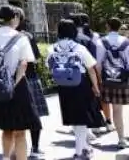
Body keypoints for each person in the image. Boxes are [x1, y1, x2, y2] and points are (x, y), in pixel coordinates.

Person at [0, 5, 39, 160]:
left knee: (6, 129)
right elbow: (24, 63)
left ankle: (6, 157)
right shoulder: (20, 37)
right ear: (14, 17)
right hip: (17, 85)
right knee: (21, 131)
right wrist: (14, 84)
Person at [48, 18, 104, 159]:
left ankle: (84, 147)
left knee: (73, 118)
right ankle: (79, 152)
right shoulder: (79, 47)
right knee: (81, 119)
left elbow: (49, 65)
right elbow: (91, 68)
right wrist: (96, 86)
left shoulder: (52, 48)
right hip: (80, 85)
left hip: (63, 86)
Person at [17, 12, 49, 158]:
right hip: (29, 77)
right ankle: (34, 147)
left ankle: (15, 150)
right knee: (34, 115)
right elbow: (35, 58)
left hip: (11, 80)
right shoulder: (27, 36)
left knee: (16, 116)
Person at [72, 12, 111, 134]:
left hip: (79, 72)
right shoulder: (94, 36)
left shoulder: (73, 38)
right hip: (95, 69)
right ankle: (107, 122)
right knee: (99, 98)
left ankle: (89, 125)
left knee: (84, 100)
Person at [96, 16, 129, 149]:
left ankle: (118, 135)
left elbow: (98, 64)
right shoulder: (126, 42)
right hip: (122, 79)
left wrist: (99, 80)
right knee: (118, 109)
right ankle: (122, 138)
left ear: (108, 26)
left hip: (107, 79)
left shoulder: (101, 41)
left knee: (110, 107)